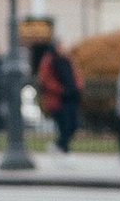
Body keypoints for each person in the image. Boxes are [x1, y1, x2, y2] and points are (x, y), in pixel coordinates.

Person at [33, 28, 84, 157]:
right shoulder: (49, 60)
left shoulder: (67, 59)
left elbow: (75, 74)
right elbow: (46, 80)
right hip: (58, 99)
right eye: (60, 46)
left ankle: (59, 146)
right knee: (64, 125)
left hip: (71, 97)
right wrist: (61, 90)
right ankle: (64, 150)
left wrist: (77, 87)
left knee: (73, 124)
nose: (63, 48)